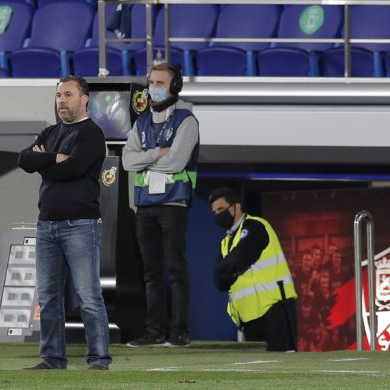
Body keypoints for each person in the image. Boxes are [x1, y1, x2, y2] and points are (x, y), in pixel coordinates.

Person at [17, 75, 112, 370]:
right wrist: (53, 159)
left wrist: (44, 162)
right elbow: (23, 160)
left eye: (68, 95)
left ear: (85, 99)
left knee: (88, 295)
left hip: (80, 225)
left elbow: (72, 170)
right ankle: (52, 358)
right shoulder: (49, 132)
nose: (61, 101)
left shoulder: (92, 134)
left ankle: (98, 358)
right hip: (46, 225)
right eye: (59, 95)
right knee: (48, 297)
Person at [122, 62, 199, 348]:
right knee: (151, 273)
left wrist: (147, 157)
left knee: (175, 270)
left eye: (160, 83)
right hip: (144, 205)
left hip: (173, 204)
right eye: (151, 82)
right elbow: (127, 161)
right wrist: (157, 152)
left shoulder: (186, 120)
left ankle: (179, 332)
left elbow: (176, 161)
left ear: (174, 86)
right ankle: (154, 332)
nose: (153, 88)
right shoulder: (141, 122)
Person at [209, 187, 298, 352]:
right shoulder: (225, 242)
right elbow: (219, 281)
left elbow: (240, 257)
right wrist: (230, 267)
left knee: (285, 367)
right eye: (214, 212)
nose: (218, 215)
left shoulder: (256, 226)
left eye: (221, 209)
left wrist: (230, 269)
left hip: (274, 308)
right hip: (248, 316)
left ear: (237, 206)